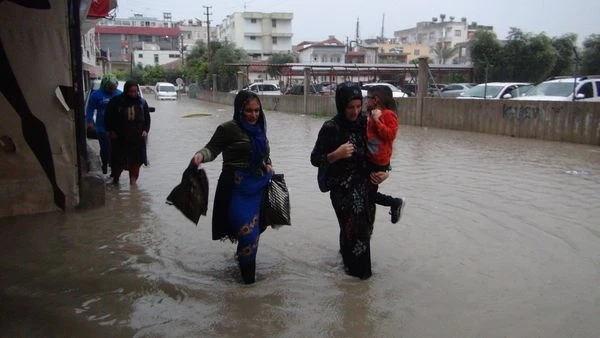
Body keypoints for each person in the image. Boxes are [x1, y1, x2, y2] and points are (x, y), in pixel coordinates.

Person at [192, 90, 273, 284]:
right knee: (247, 233)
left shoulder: (261, 127)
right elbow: (212, 148)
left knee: (254, 234)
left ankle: (244, 273)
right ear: (239, 110)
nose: (253, 115)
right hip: (237, 189)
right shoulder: (227, 129)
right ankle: (249, 285)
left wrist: (268, 162)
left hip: (258, 187)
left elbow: (263, 152)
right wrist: (200, 156)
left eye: (257, 110)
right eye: (248, 111)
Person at [310, 84, 389, 280]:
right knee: (357, 231)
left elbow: (382, 151)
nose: (354, 112)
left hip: (367, 188)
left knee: (364, 231)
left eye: (358, 106)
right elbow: (314, 159)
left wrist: (386, 171)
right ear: (341, 106)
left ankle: (346, 272)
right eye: (349, 107)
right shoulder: (331, 128)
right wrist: (335, 155)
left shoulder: (367, 123)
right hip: (342, 191)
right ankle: (360, 280)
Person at [365, 85, 405, 224]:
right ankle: (394, 203)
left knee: (368, 194)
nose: (366, 101)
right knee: (366, 192)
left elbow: (390, 134)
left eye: (368, 98)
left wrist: (377, 121)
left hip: (377, 161)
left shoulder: (388, 114)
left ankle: (394, 203)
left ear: (376, 99)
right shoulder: (371, 113)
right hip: (371, 158)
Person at [105, 80, 151, 186]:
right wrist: (111, 131)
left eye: (135, 91)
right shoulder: (116, 102)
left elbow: (147, 119)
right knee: (118, 163)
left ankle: (133, 186)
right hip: (120, 138)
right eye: (131, 91)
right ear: (126, 91)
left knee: (135, 163)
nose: (133, 94)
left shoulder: (142, 103)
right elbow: (108, 118)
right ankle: (115, 180)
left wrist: (145, 130)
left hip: (137, 139)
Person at [86, 73, 122, 174]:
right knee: (105, 147)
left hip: (116, 128)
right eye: (111, 88)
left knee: (116, 149)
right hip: (102, 127)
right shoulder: (96, 95)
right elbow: (90, 109)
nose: (113, 90)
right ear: (105, 85)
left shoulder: (119, 94)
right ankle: (105, 163)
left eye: (114, 87)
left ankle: (114, 168)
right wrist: (89, 122)